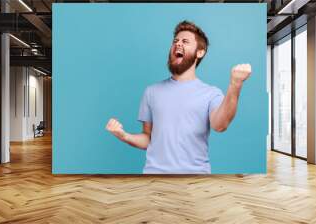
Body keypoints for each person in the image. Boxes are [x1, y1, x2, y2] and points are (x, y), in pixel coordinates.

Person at [106, 20, 251, 174]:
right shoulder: (152, 92)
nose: (178, 44)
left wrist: (235, 85)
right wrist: (124, 135)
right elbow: (148, 139)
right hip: (154, 177)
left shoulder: (211, 93)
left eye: (185, 41)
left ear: (200, 52)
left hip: (195, 179)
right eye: (175, 41)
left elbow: (219, 125)